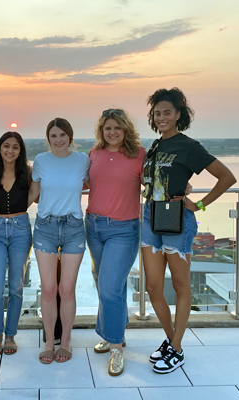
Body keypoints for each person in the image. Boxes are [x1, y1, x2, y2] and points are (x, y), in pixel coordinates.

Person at [142, 88, 236, 374]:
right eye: (157, 113)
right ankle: (172, 341)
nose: (161, 118)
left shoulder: (189, 146)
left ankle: (177, 349)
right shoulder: (155, 146)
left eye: (167, 112)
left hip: (177, 219)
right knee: (154, 287)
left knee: (181, 286)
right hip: (149, 216)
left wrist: (199, 205)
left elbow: (226, 177)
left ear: (179, 114)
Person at [85, 109, 144, 376]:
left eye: (117, 128)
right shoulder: (94, 154)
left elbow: (154, 184)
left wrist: (182, 187)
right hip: (93, 226)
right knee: (103, 281)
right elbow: (81, 182)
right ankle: (114, 333)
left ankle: (116, 347)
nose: (112, 132)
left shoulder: (138, 154)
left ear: (125, 130)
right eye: (108, 128)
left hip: (123, 229)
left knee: (109, 287)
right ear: (102, 131)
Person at [28, 118, 91, 364]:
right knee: (48, 289)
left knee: (66, 289)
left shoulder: (82, 160)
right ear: (48, 138)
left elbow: (96, 183)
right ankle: (48, 343)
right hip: (45, 226)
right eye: (53, 135)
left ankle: (65, 341)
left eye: (62, 135)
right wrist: (6, 210)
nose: (58, 140)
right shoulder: (41, 160)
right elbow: (33, 194)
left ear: (70, 136)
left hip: (74, 227)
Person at [0, 132, 33, 356]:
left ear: (20, 151)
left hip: (21, 230)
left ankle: (11, 335)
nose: (10, 150)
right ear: (0, 148)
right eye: (6, 146)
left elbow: (45, 193)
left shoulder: (28, 173)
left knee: (16, 286)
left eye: (15, 147)